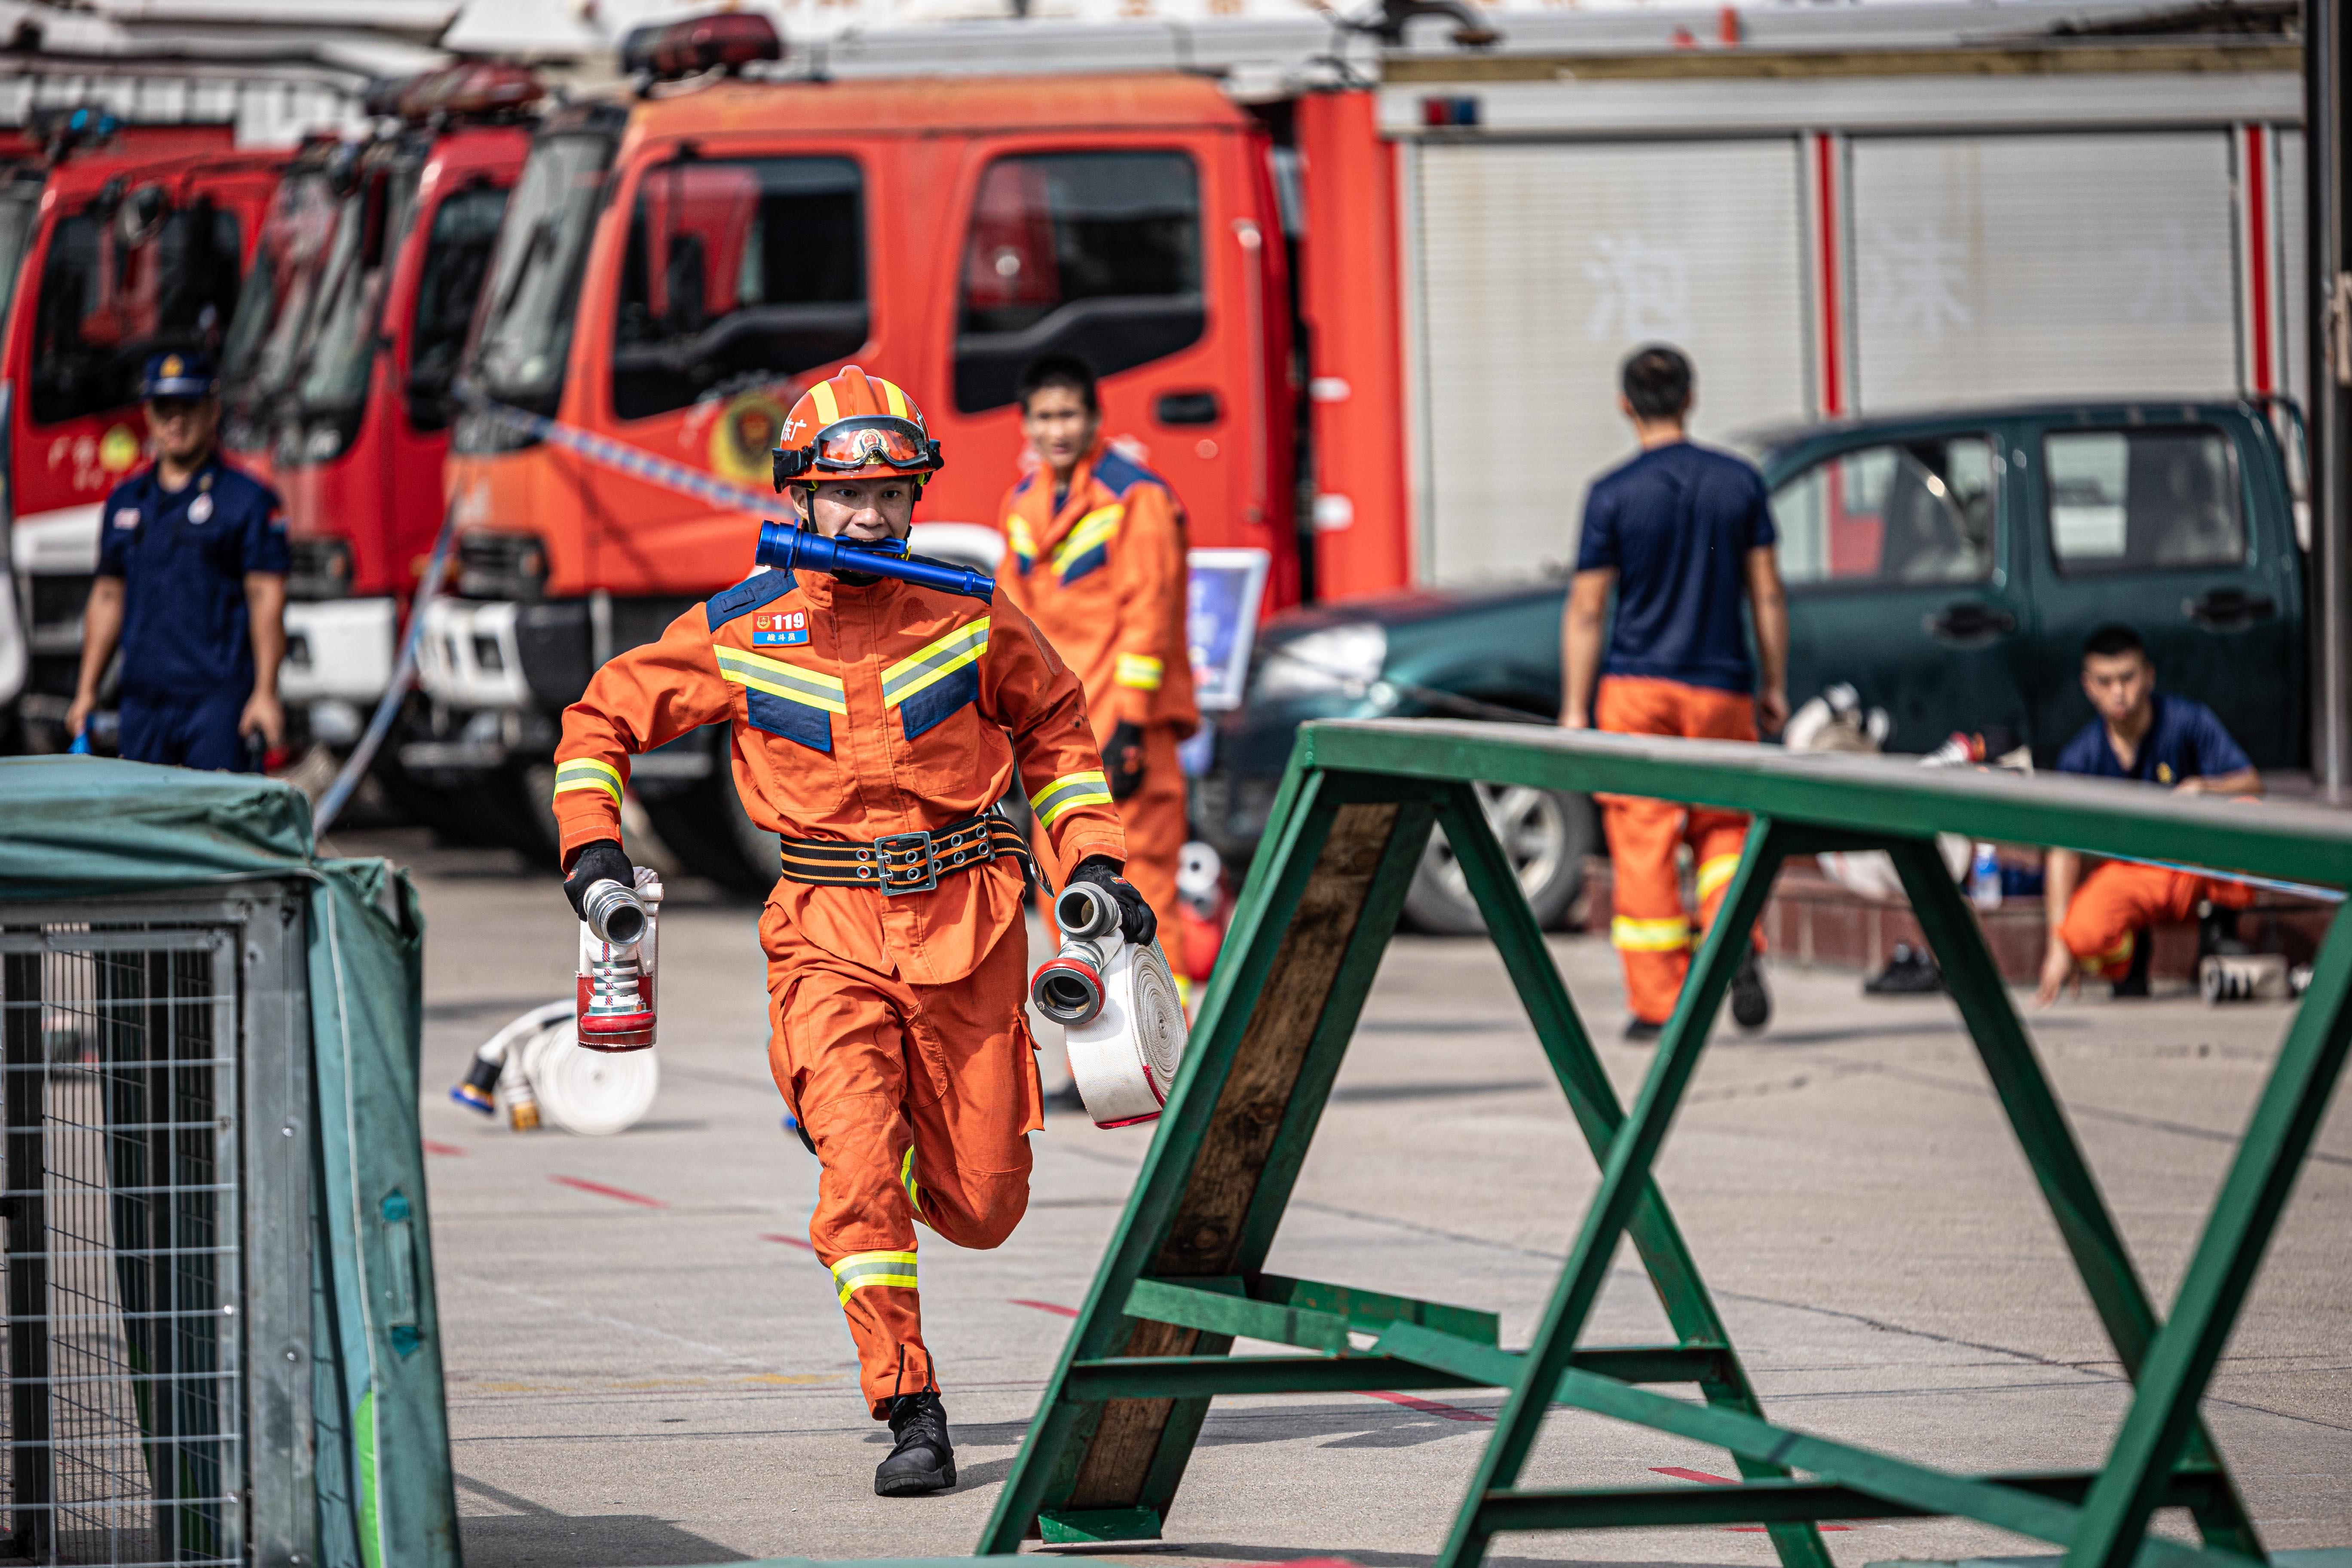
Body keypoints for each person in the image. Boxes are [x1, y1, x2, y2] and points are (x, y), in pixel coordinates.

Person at [548, 366, 1151, 1498]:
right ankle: (907, 1401)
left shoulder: (968, 613)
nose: (868, 517)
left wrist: (1099, 865)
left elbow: (1062, 735)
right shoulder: (740, 628)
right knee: (860, 1176)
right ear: (801, 498)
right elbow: (598, 722)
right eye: (841, 495)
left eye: (890, 495)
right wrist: (592, 848)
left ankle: (879, 1138)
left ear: (917, 497)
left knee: (984, 1205)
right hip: (823, 935)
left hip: (972, 930)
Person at [1559, 345, 1786, 1040]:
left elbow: (1587, 609)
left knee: (1644, 840)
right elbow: (1767, 593)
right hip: (1720, 687)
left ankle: (1660, 1006)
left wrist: (1573, 708)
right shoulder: (1738, 483)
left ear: (1625, 404)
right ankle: (1732, 941)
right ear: (1691, 397)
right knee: (1724, 829)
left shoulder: (1611, 493)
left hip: (1636, 690)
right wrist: (1773, 682)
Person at [995, 354, 1196, 962]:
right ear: (1026, 424)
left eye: (1069, 415)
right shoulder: (1022, 502)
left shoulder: (1136, 497)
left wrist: (1133, 722)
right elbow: (1010, 625)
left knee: (1143, 884)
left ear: (1095, 419)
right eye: (1045, 417)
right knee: (1061, 886)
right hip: (1055, 730)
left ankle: (1166, 1050)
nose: (1057, 430)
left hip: (1125, 723)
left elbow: (1150, 615)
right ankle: (1090, 1052)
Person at [66, 351, 288, 769]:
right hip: (143, 701)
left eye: (188, 407)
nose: (176, 421)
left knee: (216, 828)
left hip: (217, 701)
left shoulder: (247, 501)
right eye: (164, 408)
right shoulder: (126, 502)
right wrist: (86, 692)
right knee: (144, 827)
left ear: (212, 411)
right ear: (148, 415)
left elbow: (266, 598)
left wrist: (266, 692)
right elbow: (108, 596)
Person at [2036, 623, 2260, 1005]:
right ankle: (2128, 961)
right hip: (2128, 875)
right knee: (2082, 933)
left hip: (2190, 864)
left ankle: (2221, 930)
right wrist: (2057, 946)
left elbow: (2251, 783)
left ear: (2149, 676)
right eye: (2105, 682)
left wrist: (2207, 789)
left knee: (2244, 814)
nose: (2119, 692)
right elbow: (2063, 847)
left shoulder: (2187, 721)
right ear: (2088, 686)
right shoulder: (2080, 756)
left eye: (2128, 677)